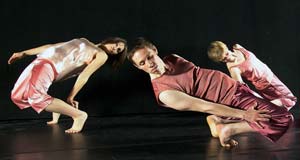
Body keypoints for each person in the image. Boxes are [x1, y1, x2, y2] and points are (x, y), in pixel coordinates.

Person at [127, 38, 293, 148]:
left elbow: (198, 77)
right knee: (283, 119)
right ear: (138, 67)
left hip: (236, 88)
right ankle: (229, 129)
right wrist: (244, 115)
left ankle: (220, 120)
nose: (149, 64)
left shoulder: (172, 58)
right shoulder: (165, 93)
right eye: (142, 63)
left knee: (283, 102)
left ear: (155, 50)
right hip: (233, 99)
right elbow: (206, 106)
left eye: (149, 57)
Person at [8, 37, 127, 133]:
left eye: (118, 50)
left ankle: (79, 115)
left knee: (35, 97)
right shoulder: (84, 40)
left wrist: (71, 96)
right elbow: (52, 46)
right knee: (17, 96)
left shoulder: (102, 55)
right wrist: (24, 53)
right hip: (40, 61)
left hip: (50, 67)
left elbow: (85, 75)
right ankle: (59, 109)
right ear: (111, 40)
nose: (115, 48)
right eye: (117, 44)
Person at [207, 41, 297, 110]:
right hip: (267, 84)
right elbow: (240, 86)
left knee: (281, 108)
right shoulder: (234, 69)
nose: (228, 58)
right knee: (290, 100)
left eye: (227, 54)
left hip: (271, 76)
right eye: (224, 59)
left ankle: (266, 114)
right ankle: (260, 109)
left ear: (226, 48)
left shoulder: (238, 48)